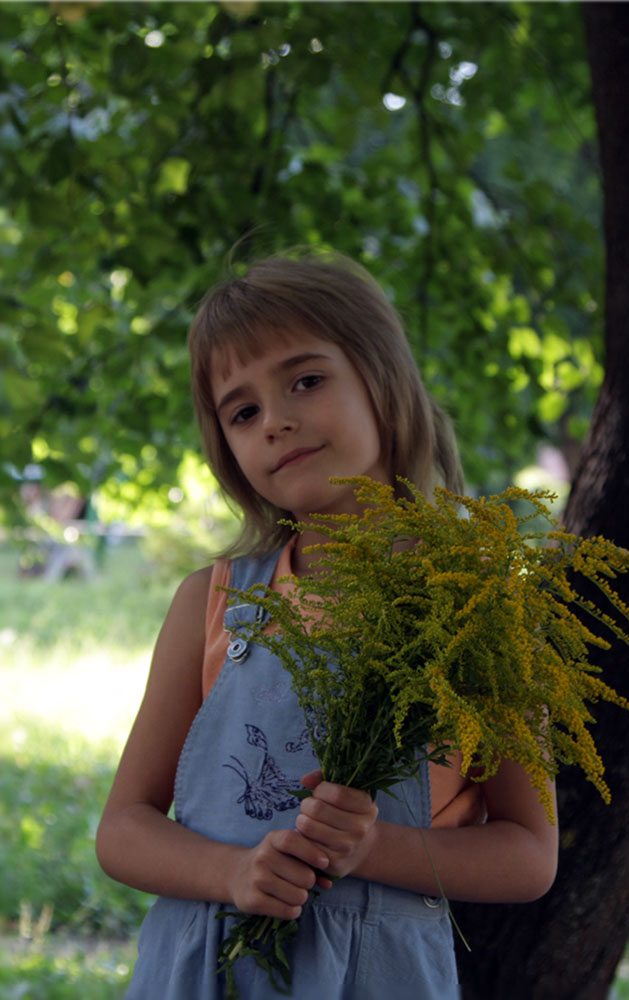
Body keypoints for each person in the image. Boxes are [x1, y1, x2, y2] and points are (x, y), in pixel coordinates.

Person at [96, 251, 558, 999]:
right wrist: (235, 873)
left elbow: (529, 855)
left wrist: (375, 847)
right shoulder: (213, 603)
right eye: (242, 412)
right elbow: (122, 829)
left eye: (306, 381)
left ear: (383, 380)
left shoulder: (480, 611)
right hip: (200, 977)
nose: (276, 420)